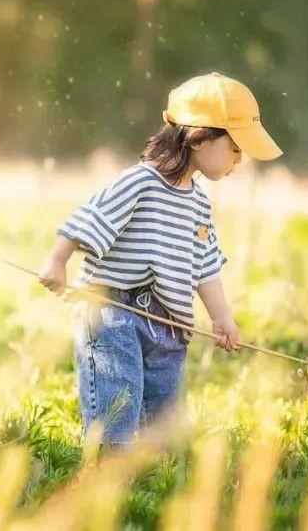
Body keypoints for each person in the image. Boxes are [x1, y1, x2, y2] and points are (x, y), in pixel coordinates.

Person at [37, 71, 284, 446]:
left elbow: (205, 265)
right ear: (200, 137)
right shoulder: (141, 181)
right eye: (235, 148)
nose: (239, 159)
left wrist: (222, 317)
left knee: (164, 420)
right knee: (118, 403)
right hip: (113, 310)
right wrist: (58, 260)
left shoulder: (199, 203)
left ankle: (152, 482)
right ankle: (106, 479)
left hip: (167, 321)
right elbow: (90, 216)